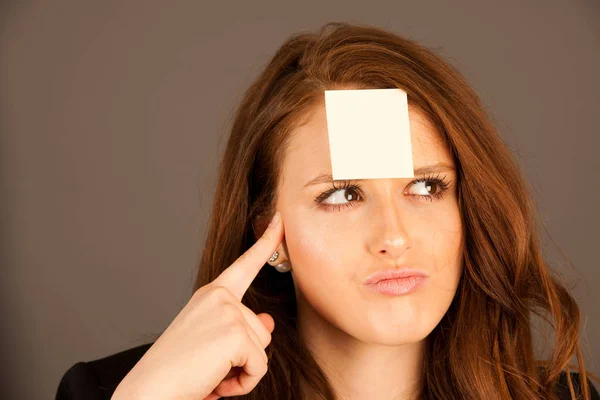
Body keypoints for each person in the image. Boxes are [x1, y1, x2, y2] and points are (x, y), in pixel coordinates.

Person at [56, 22, 599, 400]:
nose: (394, 237)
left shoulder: (560, 397)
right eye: (341, 194)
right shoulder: (121, 392)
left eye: (427, 187)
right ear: (271, 235)